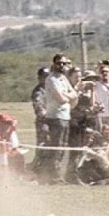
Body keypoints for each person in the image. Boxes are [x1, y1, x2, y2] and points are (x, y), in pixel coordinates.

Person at [41, 54, 77, 183]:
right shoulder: (51, 79)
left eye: (63, 63)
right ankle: (53, 175)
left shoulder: (63, 78)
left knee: (63, 146)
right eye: (59, 63)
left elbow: (74, 93)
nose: (61, 65)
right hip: (55, 117)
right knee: (56, 146)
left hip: (65, 116)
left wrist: (66, 96)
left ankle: (58, 174)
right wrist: (67, 97)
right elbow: (60, 98)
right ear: (54, 64)